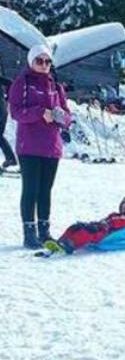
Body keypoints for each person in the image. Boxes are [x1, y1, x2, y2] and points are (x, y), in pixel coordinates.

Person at [8, 44, 71, 249]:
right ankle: (29, 233)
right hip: (29, 145)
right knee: (31, 189)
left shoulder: (56, 86)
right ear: (31, 61)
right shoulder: (22, 83)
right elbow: (15, 112)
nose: (44, 65)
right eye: (39, 61)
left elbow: (68, 116)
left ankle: (44, 231)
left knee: (45, 190)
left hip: (51, 146)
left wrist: (62, 116)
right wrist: (39, 112)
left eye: (47, 61)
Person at [45, 197, 125, 254]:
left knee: (88, 233)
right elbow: (107, 220)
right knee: (77, 226)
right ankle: (62, 241)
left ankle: (71, 245)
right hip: (101, 227)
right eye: (123, 205)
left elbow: (118, 223)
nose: (124, 208)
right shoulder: (116, 215)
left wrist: (103, 225)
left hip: (108, 233)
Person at [0, 72, 18, 171]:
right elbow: (11, 83)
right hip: (3, 109)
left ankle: (10, 158)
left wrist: (8, 97)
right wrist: (7, 98)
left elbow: (11, 83)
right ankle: (10, 158)